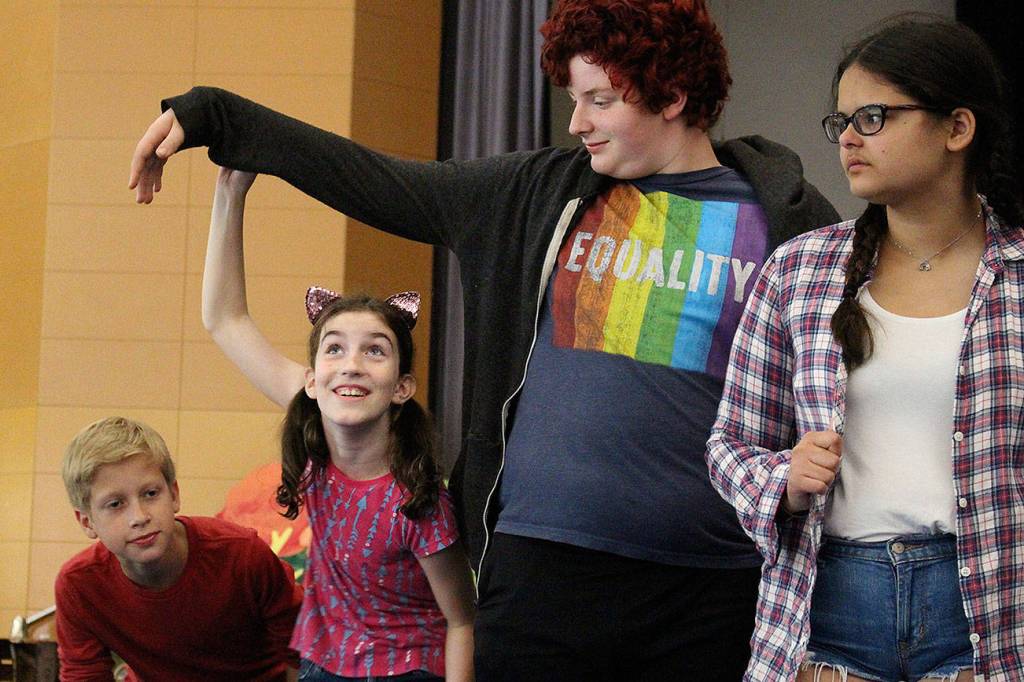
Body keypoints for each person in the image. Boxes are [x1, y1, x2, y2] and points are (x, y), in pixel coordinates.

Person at [130, 1, 838, 677]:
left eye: (600, 100)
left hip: (708, 587)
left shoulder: (786, 222)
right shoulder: (535, 193)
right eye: (573, 97)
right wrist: (218, 116)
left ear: (673, 95)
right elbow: (373, 180)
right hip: (541, 573)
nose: (578, 121)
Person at [705, 16, 1024, 682]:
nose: (848, 138)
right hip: (827, 618)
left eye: (874, 117)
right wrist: (783, 481)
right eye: (842, 121)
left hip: (991, 615)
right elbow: (730, 444)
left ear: (957, 128)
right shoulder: (799, 271)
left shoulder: (1018, 274)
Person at [202, 166, 476, 682]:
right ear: (312, 379)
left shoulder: (419, 501)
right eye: (335, 349)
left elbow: (462, 619)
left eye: (375, 351)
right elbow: (225, 318)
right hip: (323, 664)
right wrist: (229, 193)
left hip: (408, 669)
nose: (351, 364)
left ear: (402, 387)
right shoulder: (313, 426)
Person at [55, 416, 303, 681]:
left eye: (150, 494)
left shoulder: (243, 555)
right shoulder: (79, 585)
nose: (139, 517)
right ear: (86, 521)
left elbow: (304, 654)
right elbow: (84, 675)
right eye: (115, 504)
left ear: (173, 494)